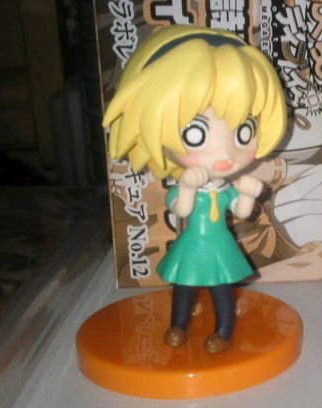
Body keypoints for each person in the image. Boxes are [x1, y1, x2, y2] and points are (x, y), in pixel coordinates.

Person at [102, 25, 287, 352]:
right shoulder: (190, 183)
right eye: (196, 134)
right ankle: (178, 325)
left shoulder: (225, 188)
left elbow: (243, 212)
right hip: (192, 244)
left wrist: (247, 193)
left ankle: (223, 332)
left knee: (222, 290)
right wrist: (187, 186)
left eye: (243, 132)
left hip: (219, 246)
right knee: (183, 286)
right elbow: (181, 209)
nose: (225, 154)